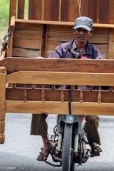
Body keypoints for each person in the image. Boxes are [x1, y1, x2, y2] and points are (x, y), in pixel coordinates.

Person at [31, 16, 103, 161]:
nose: (81, 33)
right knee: (37, 110)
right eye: (79, 30)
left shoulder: (95, 53)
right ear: (73, 32)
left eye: (85, 31)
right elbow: (50, 66)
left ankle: (91, 141)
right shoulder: (62, 49)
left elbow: (102, 70)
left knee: (92, 117)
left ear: (90, 33)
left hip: (85, 97)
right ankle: (46, 143)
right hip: (60, 95)